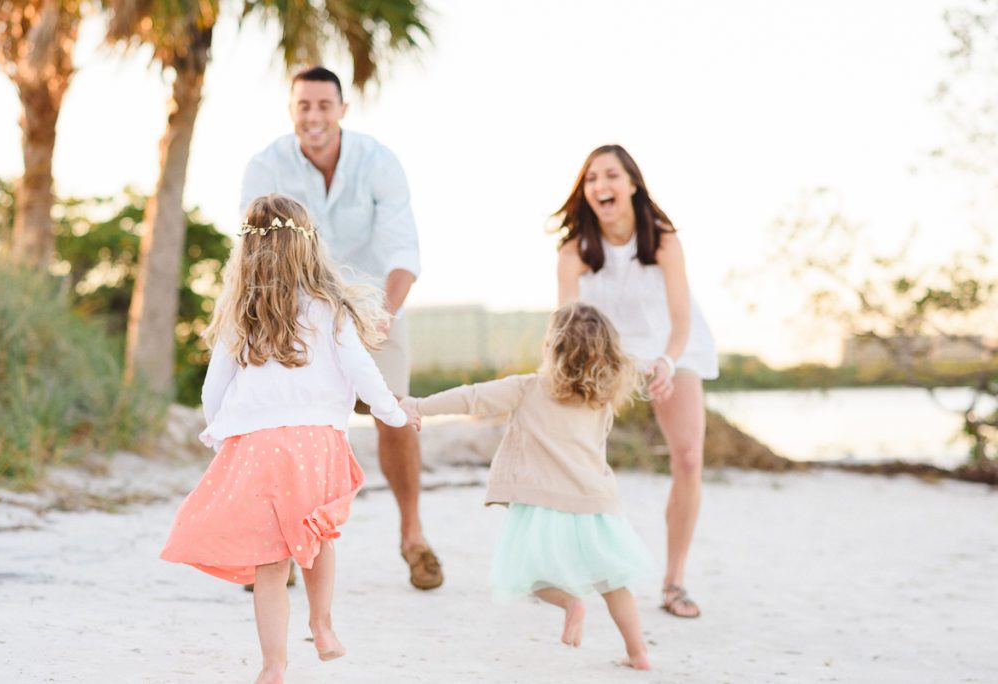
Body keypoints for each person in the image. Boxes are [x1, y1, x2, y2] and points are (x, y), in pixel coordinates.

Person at [161, 195, 420, 684]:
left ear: (248, 253)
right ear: (310, 248)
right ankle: (322, 626)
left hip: (257, 447)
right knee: (318, 537)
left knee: (270, 562)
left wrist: (220, 434)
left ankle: (273, 666)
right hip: (317, 444)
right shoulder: (330, 308)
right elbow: (364, 374)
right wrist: (395, 413)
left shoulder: (240, 313)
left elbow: (212, 388)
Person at [238, 66, 442, 591]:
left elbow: (403, 252)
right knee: (286, 427)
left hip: (375, 305)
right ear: (292, 110)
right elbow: (252, 249)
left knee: (394, 413)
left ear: (343, 110)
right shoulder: (266, 165)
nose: (314, 116)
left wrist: (383, 316)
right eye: (304, 105)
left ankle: (413, 536)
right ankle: (279, 545)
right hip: (295, 313)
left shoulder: (379, 162)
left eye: (324, 105)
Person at [401, 303, 655, 670]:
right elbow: (597, 452)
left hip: (543, 504)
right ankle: (638, 652)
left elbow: (472, 397)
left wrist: (419, 406)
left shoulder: (527, 388)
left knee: (530, 576)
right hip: (594, 505)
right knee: (614, 582)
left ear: (552, 347)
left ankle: (570, 603)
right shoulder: (601, 402)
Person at [555, 145, 718, 619]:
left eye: (610, 176)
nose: (600, 186)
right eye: (591, 179)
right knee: (578, 459)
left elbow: (681, 317)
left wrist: (667, 361)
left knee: (689, 457)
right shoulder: (575, 251)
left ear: (632, 185)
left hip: (673, 347)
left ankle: (674, 582)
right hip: (607, 352)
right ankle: (572, 570)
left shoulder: (663, 241)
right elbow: (568, 320)